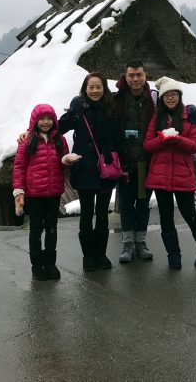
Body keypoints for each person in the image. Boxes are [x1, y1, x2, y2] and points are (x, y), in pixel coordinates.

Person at [143, 77, 196, 269]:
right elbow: (148, 145)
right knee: (166, 219)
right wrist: (162, 139)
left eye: (174, 94)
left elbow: (195, 145)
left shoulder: (189, 117)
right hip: (159, 175)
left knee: (190, 215)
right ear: (162, 98)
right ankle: (173, 258)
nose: (170, 98)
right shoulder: (157, 118)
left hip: (183, 174)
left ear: (180, 96)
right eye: (167, 95)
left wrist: (177, 140)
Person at [59, 72, 123, 272]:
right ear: (85, 89)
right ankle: (88, 256)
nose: (95, 91)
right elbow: (59, 127)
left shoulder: (111, 110)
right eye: (91, 87)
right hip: (85, 168)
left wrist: (122, 163)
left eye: (98, 87)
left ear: (104, 88)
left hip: (105, 168)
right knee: (87, 214)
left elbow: (118, 139)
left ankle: (101, 254)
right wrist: (73, 110)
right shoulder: (79, 110)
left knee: (103, 214)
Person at [13, 104, 69, 281]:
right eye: (42, 119)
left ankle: (50, 263)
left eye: (49, 119)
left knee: (52, 229)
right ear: (35, 121)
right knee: (36, 230)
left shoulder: (60, 140)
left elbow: (63, 163)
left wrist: (67, 161)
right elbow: (19, 167)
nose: (46, 122)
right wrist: (19, 191)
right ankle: (37, 265)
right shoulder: (27, 141)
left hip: (54, 193)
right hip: (34, 194)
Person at [113, 60, 156, 263]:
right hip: (125, 164)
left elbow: (176, 108)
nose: (135, 79)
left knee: (142, 203)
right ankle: (128, 243)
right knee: (126, 204)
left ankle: (141, 242)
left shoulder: (154, 99)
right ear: (125, 76)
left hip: (145, 164)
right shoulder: (117, 99)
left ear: (145, 75)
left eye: (139, 74)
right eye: (131, 75)